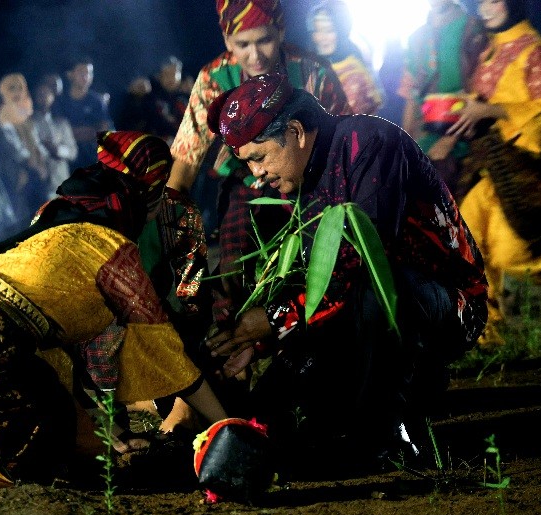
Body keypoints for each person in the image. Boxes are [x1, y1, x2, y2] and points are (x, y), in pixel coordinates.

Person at [0, 130, 229, 499]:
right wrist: (225, 422)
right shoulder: (112, 250)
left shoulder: (53, 217)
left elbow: (54, 358)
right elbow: (169, 354)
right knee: (46, 453)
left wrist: (108, 431)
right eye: (157, 199)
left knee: (56, 428)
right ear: (146, 197)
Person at [203, 73, 488, 475]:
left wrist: (274, 322)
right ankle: (390, 399)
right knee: (281, 409)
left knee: (375, 288)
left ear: (298, 132)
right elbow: (312, 283)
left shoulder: (370, 143)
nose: (256, 173)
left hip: (445, 303)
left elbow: (362, 263)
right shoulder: (296, 179)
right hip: (355, 309)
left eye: (259, 156)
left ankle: (386, 438)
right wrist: (258, 341)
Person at [167, 0, 352, 312]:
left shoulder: (312, 71)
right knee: (233, 271)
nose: (255, 56)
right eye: (242, 44)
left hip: (310, 186)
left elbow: (346, 144)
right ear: (227, 41)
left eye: (264, 40)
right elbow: (182, 173)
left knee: (315, 269)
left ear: (280, 30)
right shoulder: (214, 79)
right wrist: (182, 259)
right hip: (245, 186)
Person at [447, 0, 541, 344]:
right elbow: (478, 101)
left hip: (519, 170)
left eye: (494, 0)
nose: (485, 8)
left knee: (510, 255)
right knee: (468, 246)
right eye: (482, 2)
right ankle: (487, 330)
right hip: (485, 166)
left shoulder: (537, 51)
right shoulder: (488, 50)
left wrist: (487, 109)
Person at [397, 0, 488, 199]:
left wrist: (449, 140)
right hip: (425, 131)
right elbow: (411, 97)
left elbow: (482, 91)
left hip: (466, 133)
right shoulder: (417, 37)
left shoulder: (471, 29)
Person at [0, 72, 50, 229]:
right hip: (13, 172)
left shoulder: (24, 116)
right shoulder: (2, 114)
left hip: (34, 173)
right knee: (19, 218)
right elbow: (12, 146)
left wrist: (41, 159)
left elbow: (35, 142)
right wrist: (31, 163)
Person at [306, 0, 384, 116]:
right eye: (317, 30)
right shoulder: (313, 66)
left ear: (341, 31)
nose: (322, 37)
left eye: (329, 31)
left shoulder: (354, 75)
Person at [54, 55, 114, 173]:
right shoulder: (60, 101)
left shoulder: (97, 101)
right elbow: (58, 133)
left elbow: (103, 131)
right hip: (67, 164)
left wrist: (74, 133)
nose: (86, 77)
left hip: (92, 162)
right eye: (81, 72)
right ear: (70, 74)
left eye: (89, 73)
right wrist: (87, 131)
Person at [116, 56, 190, 145]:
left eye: (174, 74)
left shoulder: (183, 98)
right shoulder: (149, 95)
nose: (171, 78)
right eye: (166, 74)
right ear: (158, 76)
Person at [31, 78, 78, 198]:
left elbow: (73, 152)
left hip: (61, 181)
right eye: (40, 95)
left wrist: (57, 150)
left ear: (52, 97)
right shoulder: (29, 123)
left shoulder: (61, 123)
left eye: (46, 94)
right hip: (39, 182)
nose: (43, 98)